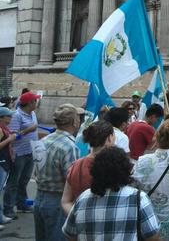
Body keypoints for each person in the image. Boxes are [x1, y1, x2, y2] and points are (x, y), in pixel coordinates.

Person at [62, 146, 160, 240]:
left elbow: (70, 234)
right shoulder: (139, 198)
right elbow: (153, 236)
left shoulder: (83, 199)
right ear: (126, 170)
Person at [34, 103, 82, 241]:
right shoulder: (69, 146)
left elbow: (37, 171)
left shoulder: (43, 140)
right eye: (78, 118)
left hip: (40, 197)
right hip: (58, 199)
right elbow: (72, 180)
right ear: (74, 122)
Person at [61, 120, 115, 214]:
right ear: (110, 138)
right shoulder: (116, 166)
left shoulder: (77, 165)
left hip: (80, 220)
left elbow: (66, 201)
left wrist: (78, 218)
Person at [4, 91, 40, 219]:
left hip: (30, 151)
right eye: (35, 100)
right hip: (18, 153)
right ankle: (8, 208)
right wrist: (27, 130)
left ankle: (21, 204)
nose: (37, 102)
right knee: (13, 181)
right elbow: (12, 136)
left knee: (24, 180)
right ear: (30, 103)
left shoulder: (33, 113)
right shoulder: (17, 115)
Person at [0, 106, 17, 228]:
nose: (10, 119)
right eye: (8, 116)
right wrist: (10, 139)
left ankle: (0, 217)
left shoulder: (4, 128)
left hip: (5, 162)